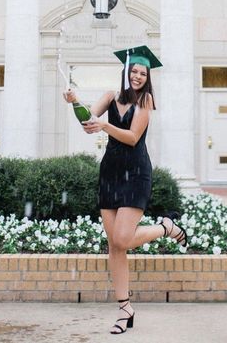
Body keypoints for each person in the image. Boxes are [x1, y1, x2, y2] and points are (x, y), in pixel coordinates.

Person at [63, 45, 187, 335]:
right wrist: (74, 101)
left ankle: (165, 227)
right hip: (110, 173)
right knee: (115, 245)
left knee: (124, 238)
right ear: (126, 71)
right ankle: (125, 309)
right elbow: (86, 121)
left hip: (136, 173)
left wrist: (104, 127)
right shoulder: (109, 96)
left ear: (147, 78)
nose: (138, 76)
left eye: (143, 73)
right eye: (134, 71)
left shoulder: (146, 102)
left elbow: (132, 138)